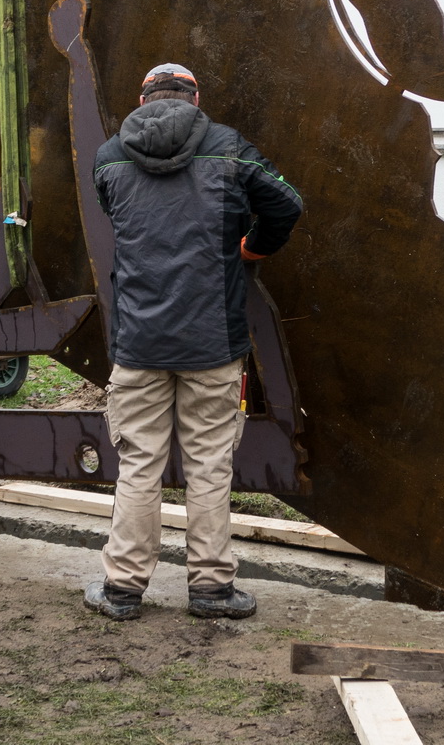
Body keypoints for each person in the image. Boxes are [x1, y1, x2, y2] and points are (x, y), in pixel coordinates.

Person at [83, 63, 303, 622]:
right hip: (213, 340)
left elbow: (118, 218)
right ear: (196, 99)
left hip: (139, 341)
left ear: (142, 99)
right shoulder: (229, 148)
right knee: (209, 465)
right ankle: (212, 590)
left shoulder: (109, 157)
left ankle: (122, 589)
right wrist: (250, 247)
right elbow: (287, 204)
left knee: (139, 465)